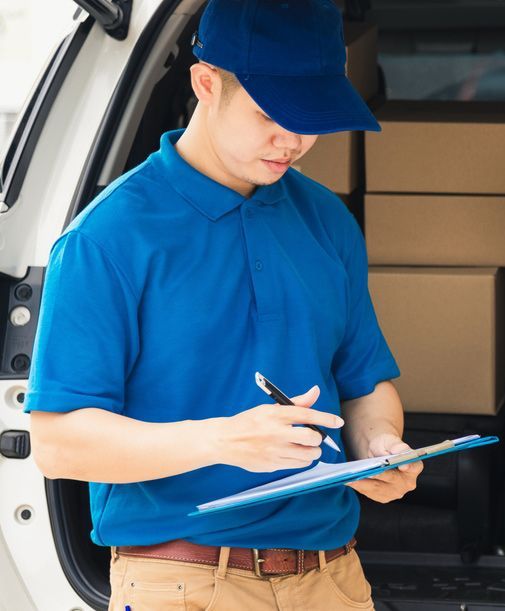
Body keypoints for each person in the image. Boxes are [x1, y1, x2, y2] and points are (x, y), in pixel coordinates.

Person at [24, 1, 419, 608]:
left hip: (334, 580)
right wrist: (220, 441)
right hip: (185, 584)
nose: (293, 141)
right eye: (270, 116)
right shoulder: (107, 239)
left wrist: (381, 448)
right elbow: (59, 444)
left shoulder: (327, 221)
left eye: (310, 119)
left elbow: (365, 384)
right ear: (206, 83)